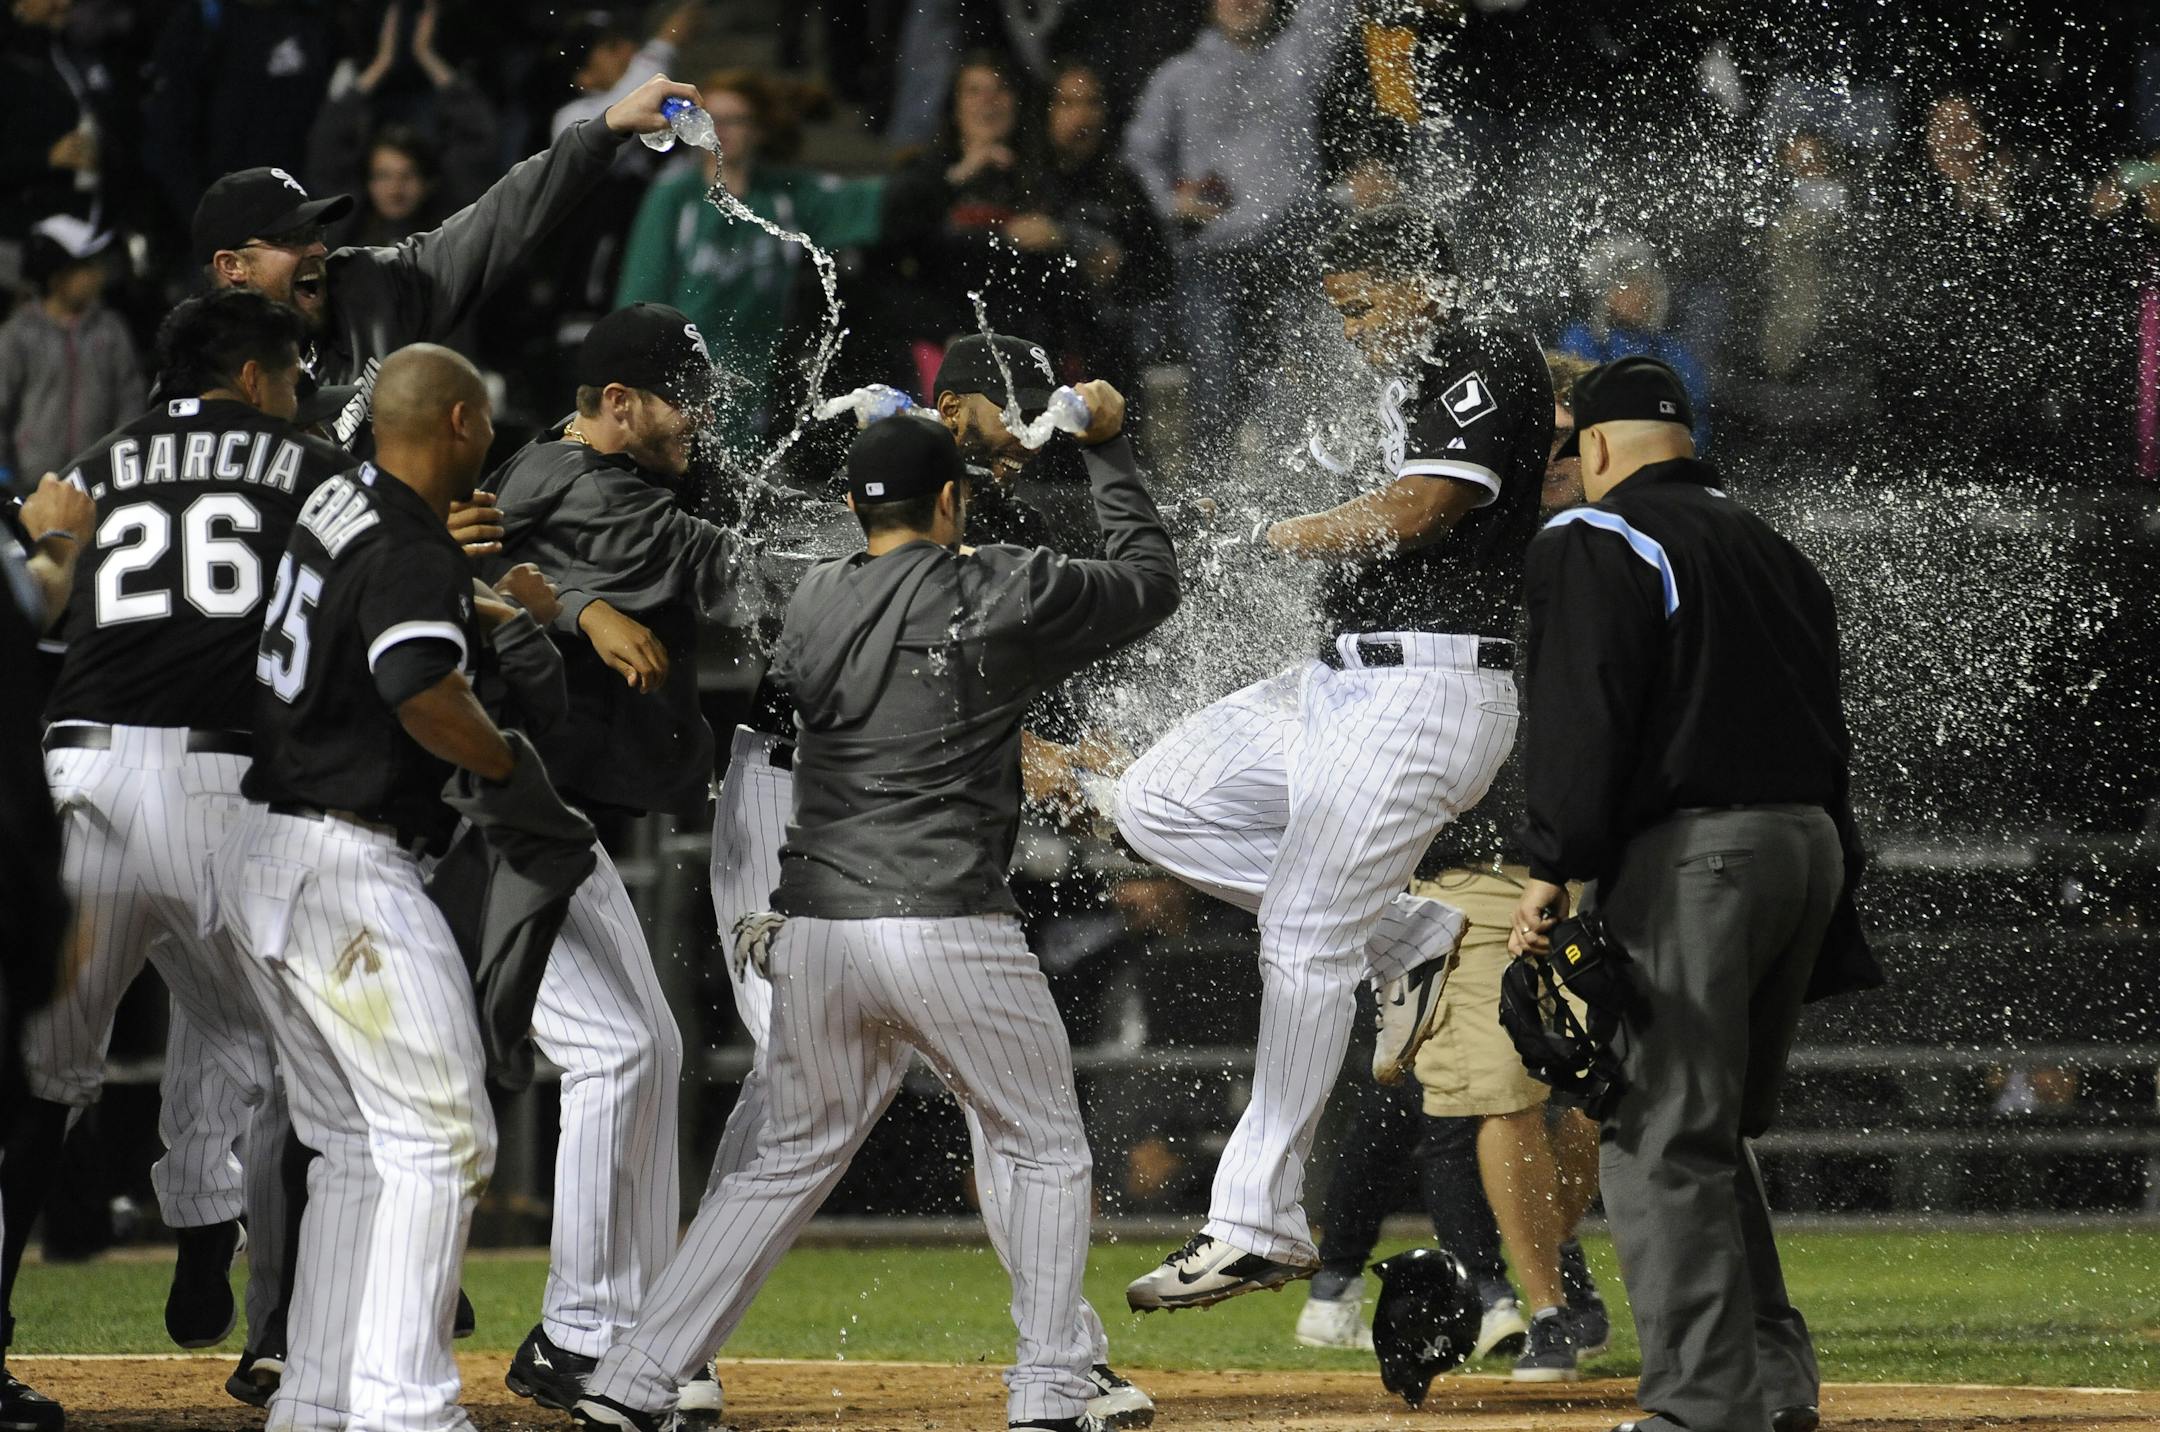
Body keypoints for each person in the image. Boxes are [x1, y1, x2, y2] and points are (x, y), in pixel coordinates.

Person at [570, 399, 1179, 1432]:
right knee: (1039, 1143)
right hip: (948, 922)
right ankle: (1050, 1384)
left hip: (815, 924)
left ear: (855, 507)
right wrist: (1111, 447)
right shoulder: (1000, 583)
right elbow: (1150, 583)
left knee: (784, 1160)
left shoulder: (812, 597)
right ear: (952, 500)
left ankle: (633, 1376)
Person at [1117, 203, 1551, 1310]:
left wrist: (1268, 531)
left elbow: (1422, 506)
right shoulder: (1400, 377)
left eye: (1362, 303)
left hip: (1430, 685)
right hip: (1342, 680)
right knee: (1156, 797)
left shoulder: (1480, 345)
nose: (1353, 328)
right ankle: (1406, 928)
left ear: (1417, 280)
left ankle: (1256, 1221)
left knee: (1305, 933)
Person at [0, 290, 361, 1429]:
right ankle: (275, 1330)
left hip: (83, 777)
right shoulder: (301, 461)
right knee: (307, 1061)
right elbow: (363, 601)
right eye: (292, 372)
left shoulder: (97, 461)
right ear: (254, 377)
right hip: (225, 785)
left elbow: (34, 609)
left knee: (30, 1086)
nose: (298, 388)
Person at [1507, 355, 1874, 1432]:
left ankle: (1699, 1407)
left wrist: (1552, 864)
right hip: (1805, 848)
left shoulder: (1595, 534)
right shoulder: (1776, 550)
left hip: (1698, 859)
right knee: (1706, 1132)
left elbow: (1586, 710)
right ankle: (1771, 1384)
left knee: (1660, 1135)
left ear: (1601, 449)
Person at [207, 343, 542, 1432]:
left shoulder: (337, 496)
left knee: (354, 1141)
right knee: (445, 1140)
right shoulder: (409, 543)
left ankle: (319, 1398)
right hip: (341, 863)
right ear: (453, 422)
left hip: (263, 844)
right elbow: (416, 685)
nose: (491, 435)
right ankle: (408, 1410)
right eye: (483, 418)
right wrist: (503, 764)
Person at [1292, 352, 1608, 1375]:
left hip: (1580, 853)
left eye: (1569, 435)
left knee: (1591, 1098)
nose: (1553, 453)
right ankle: (1528, 1295)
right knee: (1485, 1092)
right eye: (1543, 434)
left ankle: (1541, 1270)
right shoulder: (1449, 554)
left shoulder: (1608, 545)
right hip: (1472, 860)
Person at [469, 304, 737, 1423]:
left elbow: (510, 565)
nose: (701, 418)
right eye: (683, 396)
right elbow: (440, 557)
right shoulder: (561, 478)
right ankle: (577, 1334)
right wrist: (577, 609)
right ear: (618, 403)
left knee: (654, 1045)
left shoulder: (573, 481)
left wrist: (566, 602)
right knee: (620, 1048)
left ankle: (625, 1329)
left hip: (541, 817)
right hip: (477, 811)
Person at [196, 71, 705, 452]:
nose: (316, 249)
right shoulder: (198, 375)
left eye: (315, 232)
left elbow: (501, 217)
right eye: (291, 238)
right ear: (231, 265)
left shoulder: (373, 286)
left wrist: (606, 127)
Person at [615, 71, 884, 456]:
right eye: (713, 118)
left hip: (762, 377)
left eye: (736, 120)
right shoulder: (675, 199)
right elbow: (640, 295)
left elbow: (864, 204)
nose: (722, 130)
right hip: (683, 381)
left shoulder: (782, 196)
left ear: (758, 130)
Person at [1123, 0, 1353, 430]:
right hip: (1212, 254)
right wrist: (1170, 203)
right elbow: (1139, 155)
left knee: (1307, 383)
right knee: (1216, 382)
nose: (1243, 2)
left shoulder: (1298, 55)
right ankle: (1211, 493)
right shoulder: (1179, 76)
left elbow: (1332, 10)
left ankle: (1305, 489)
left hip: (1295, 249)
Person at [1019, 61, 1173, 392]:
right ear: (1047, 110)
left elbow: (1159, 273)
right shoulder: (1022, 180)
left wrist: (1119, 269)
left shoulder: (1121, 186)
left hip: (1105, 357)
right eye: (1068, 103)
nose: (1082, 116)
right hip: (1034, 353)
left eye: (1092, 103)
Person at [303, 2, 501, 250]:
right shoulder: (346, 231)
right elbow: (327, 141)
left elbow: (477, 137)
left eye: (408, 175)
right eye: (382, 176)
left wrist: (426, 55)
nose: (395, 190)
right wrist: (381, 63)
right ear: (367, 182)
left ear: (429, 182)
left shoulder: (451, 235)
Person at [0, 215, 144, 496]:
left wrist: (122, 458)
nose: (98, 275)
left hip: (100, 482)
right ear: (57, 279)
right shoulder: (17, 335)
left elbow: (130, 399)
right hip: (31, 485)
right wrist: (3, 473)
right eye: (86, 268)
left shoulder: (110, 329)